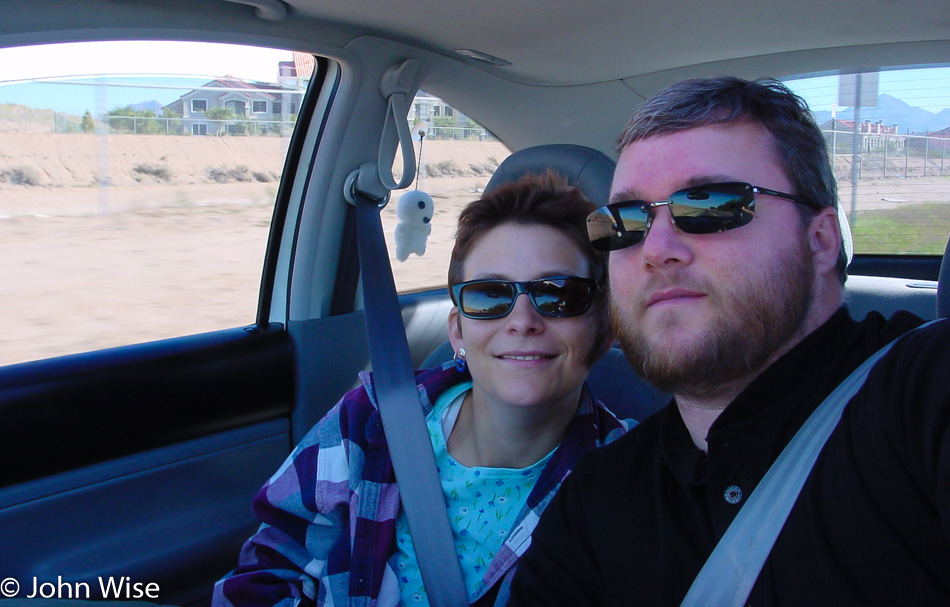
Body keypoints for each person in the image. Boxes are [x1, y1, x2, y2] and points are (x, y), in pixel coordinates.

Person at [509, 77, 950, 605]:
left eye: (710, 204)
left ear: (820, 240)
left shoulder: (925, 394)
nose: (656, 249)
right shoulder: (597, 497)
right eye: (627, 222)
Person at [212, 171, 632, 607]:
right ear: (458, 332)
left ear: (604, 330)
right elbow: (272, 564)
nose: (522, 320)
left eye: (558, 294)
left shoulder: (628, 482)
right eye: (489, 296)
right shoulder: (371, 420)